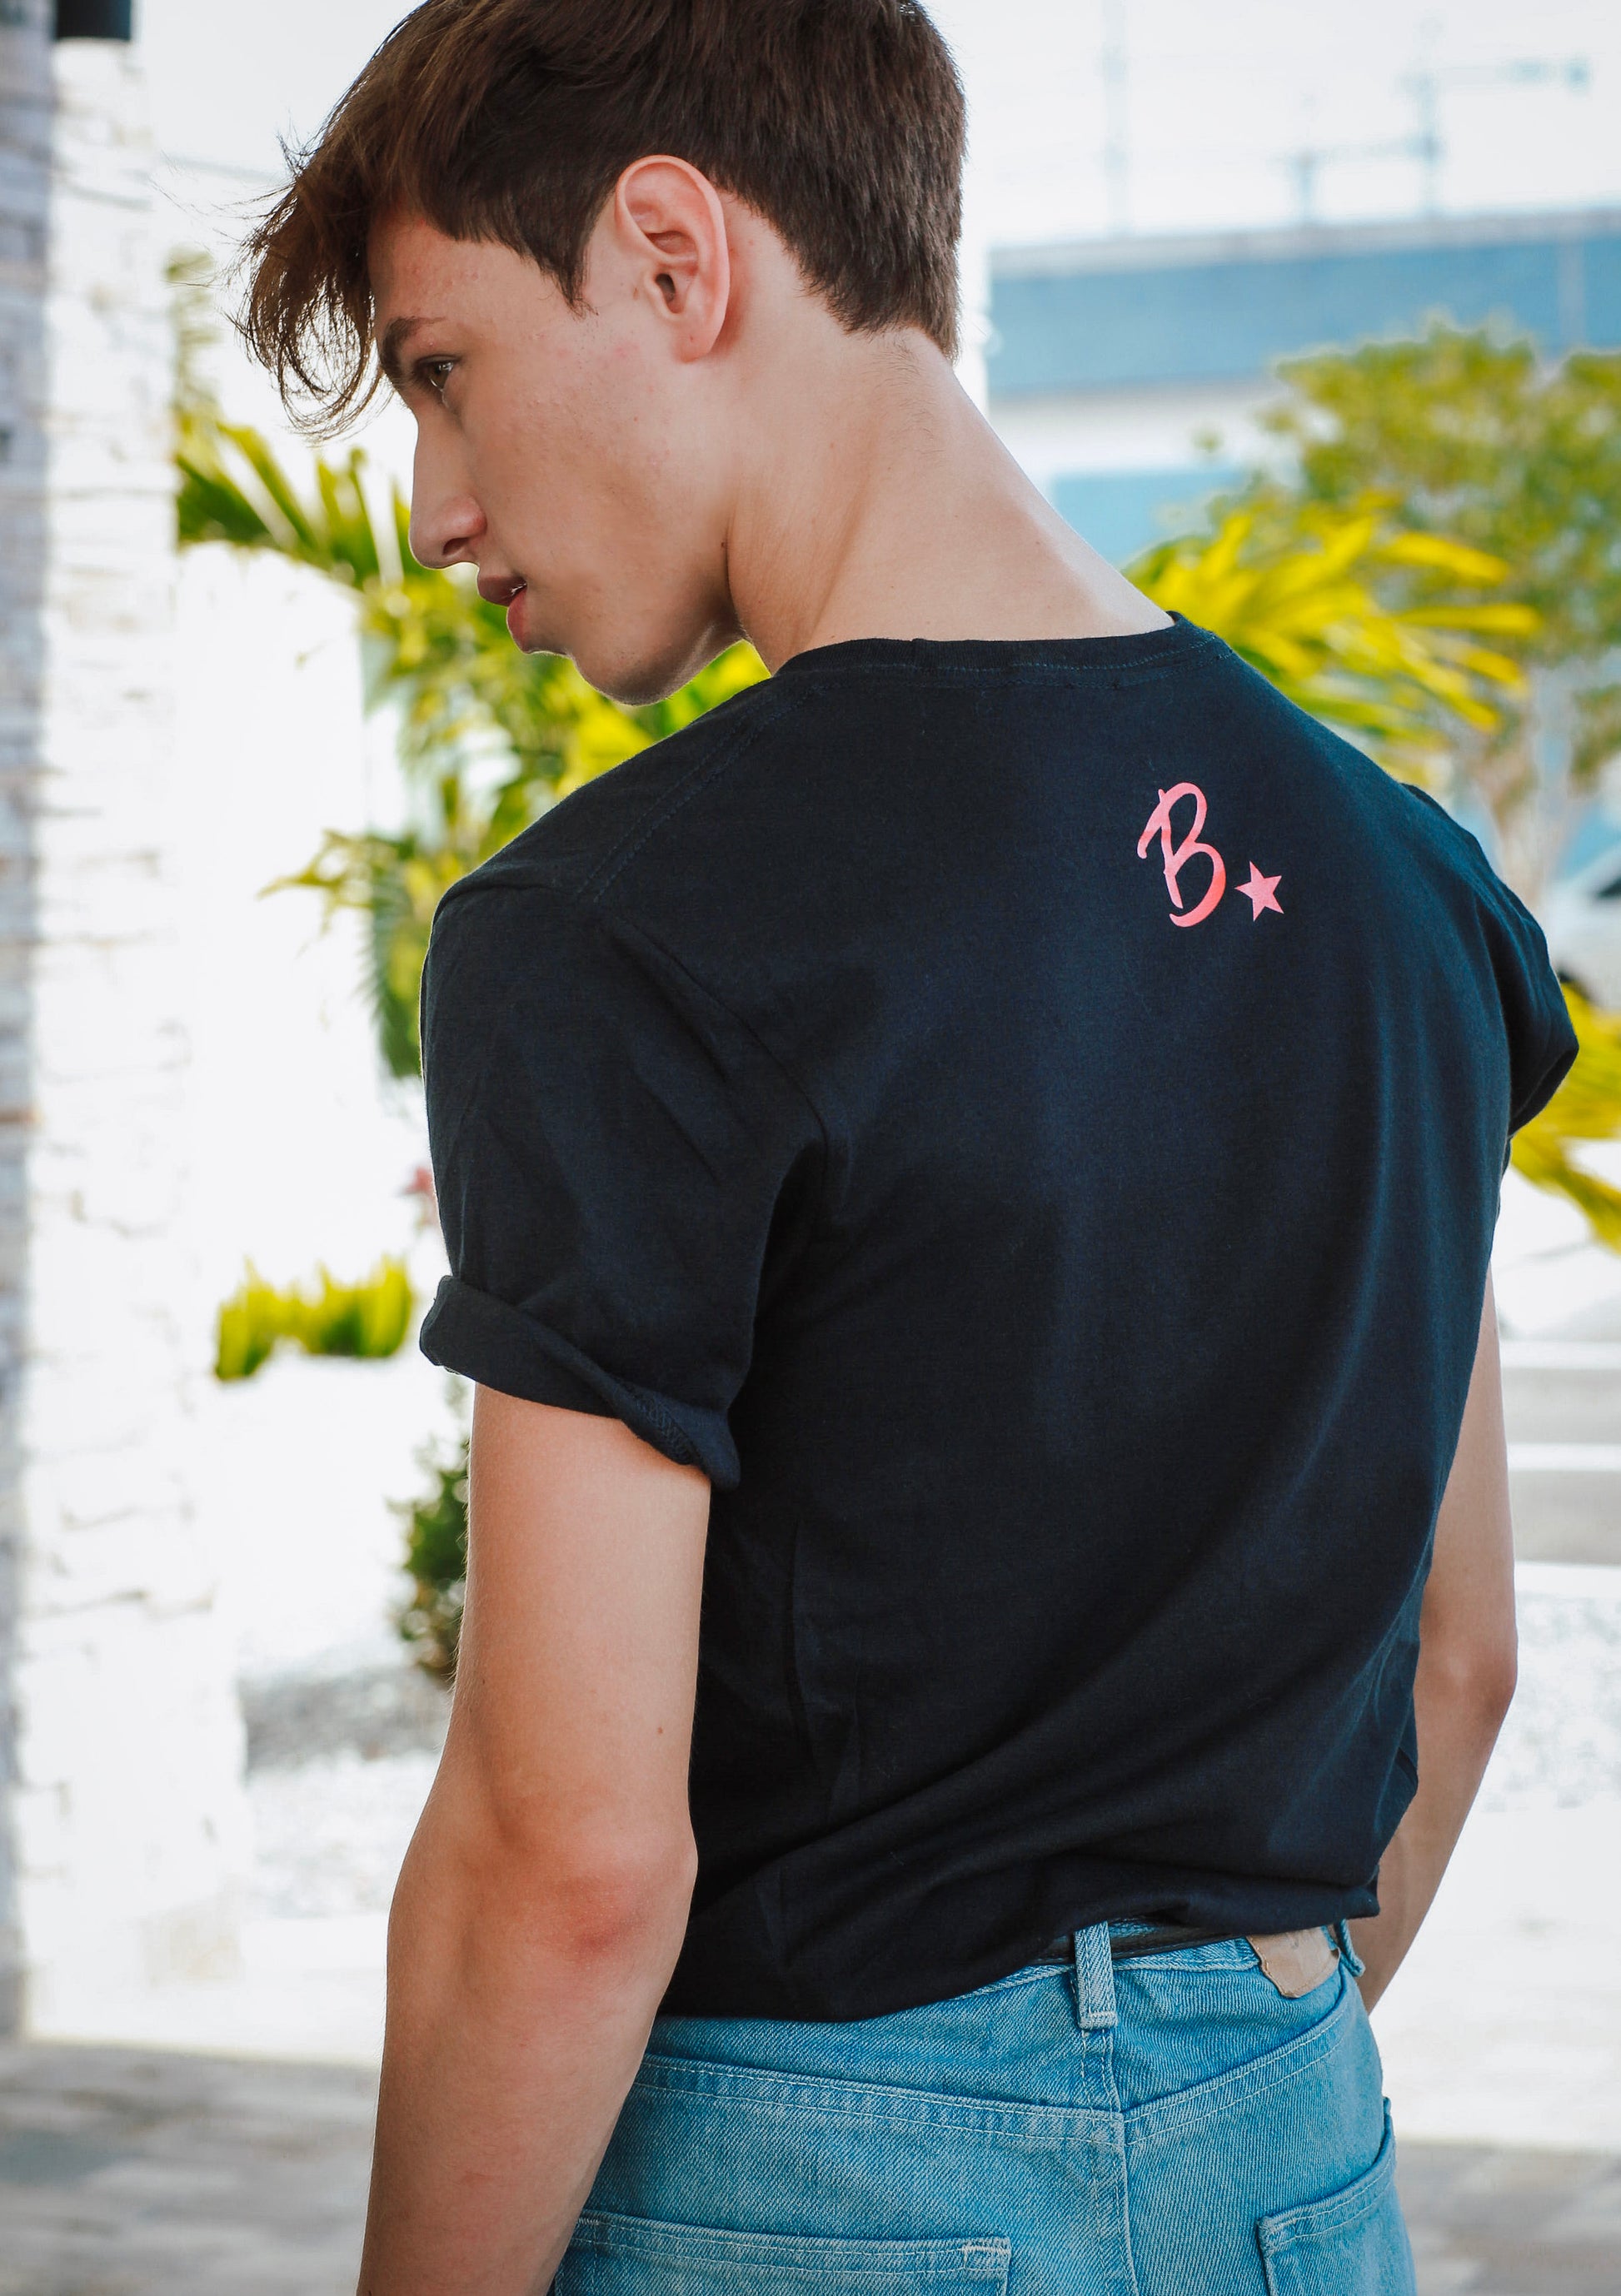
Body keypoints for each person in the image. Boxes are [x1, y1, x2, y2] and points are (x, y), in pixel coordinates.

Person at [242, 3, 1575, 2289]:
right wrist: (1172, 2128)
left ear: (673, 257)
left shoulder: (621, 929)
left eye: (444, 371)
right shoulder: (1405, 886)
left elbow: (569, 1863)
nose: (436, 510)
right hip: (1292, 2163)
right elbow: (1461, 1665)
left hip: (804, 2192)